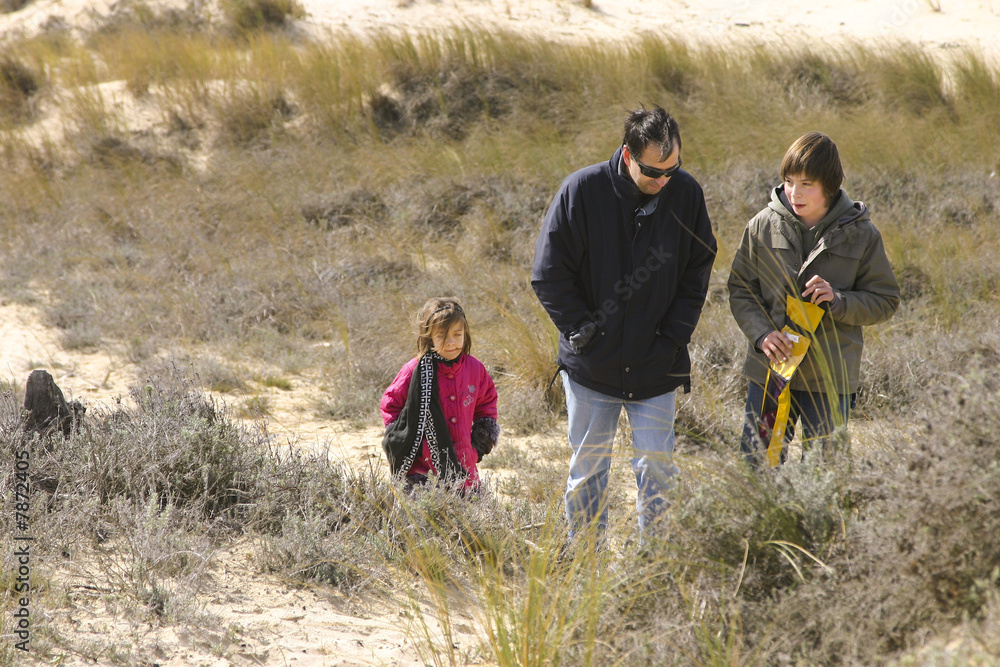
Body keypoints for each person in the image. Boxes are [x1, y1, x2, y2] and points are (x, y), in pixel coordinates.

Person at [531, 105, 717, 543]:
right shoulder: (581, 190)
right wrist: (583, 333)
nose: (665, 181)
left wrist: (672, 338)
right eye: (655, 172)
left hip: (656, 365)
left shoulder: (685, 194)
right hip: (591, 368)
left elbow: (698, 271)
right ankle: (586, 567)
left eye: (674, 170)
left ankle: (654, 572)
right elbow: (548, 273)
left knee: (658, 473)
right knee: (587, 472)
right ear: (628, 155)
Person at [728, 131, 900, 466]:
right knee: (758, 469)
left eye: (806, 183)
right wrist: (763, 335)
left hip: (830, 378)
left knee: (825, 474)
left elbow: (885, 299)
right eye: (789, 181)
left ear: (830, 185)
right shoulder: (762, 226)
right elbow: (741, 289)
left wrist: (839, 301)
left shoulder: (862, 234)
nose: (794, 192)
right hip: (771, 373)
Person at [380, 297, 500, 492]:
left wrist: (478, 446)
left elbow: (487, 404)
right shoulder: (413, 370)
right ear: (429, 337)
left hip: (464, 465)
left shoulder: (475, 369)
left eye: (457, 334)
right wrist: (405, 441)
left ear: (465, 334)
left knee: (469, 518)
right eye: (442, 335)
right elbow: (391, 405)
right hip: (422, 469)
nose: (451, 342)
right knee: (425, 520)